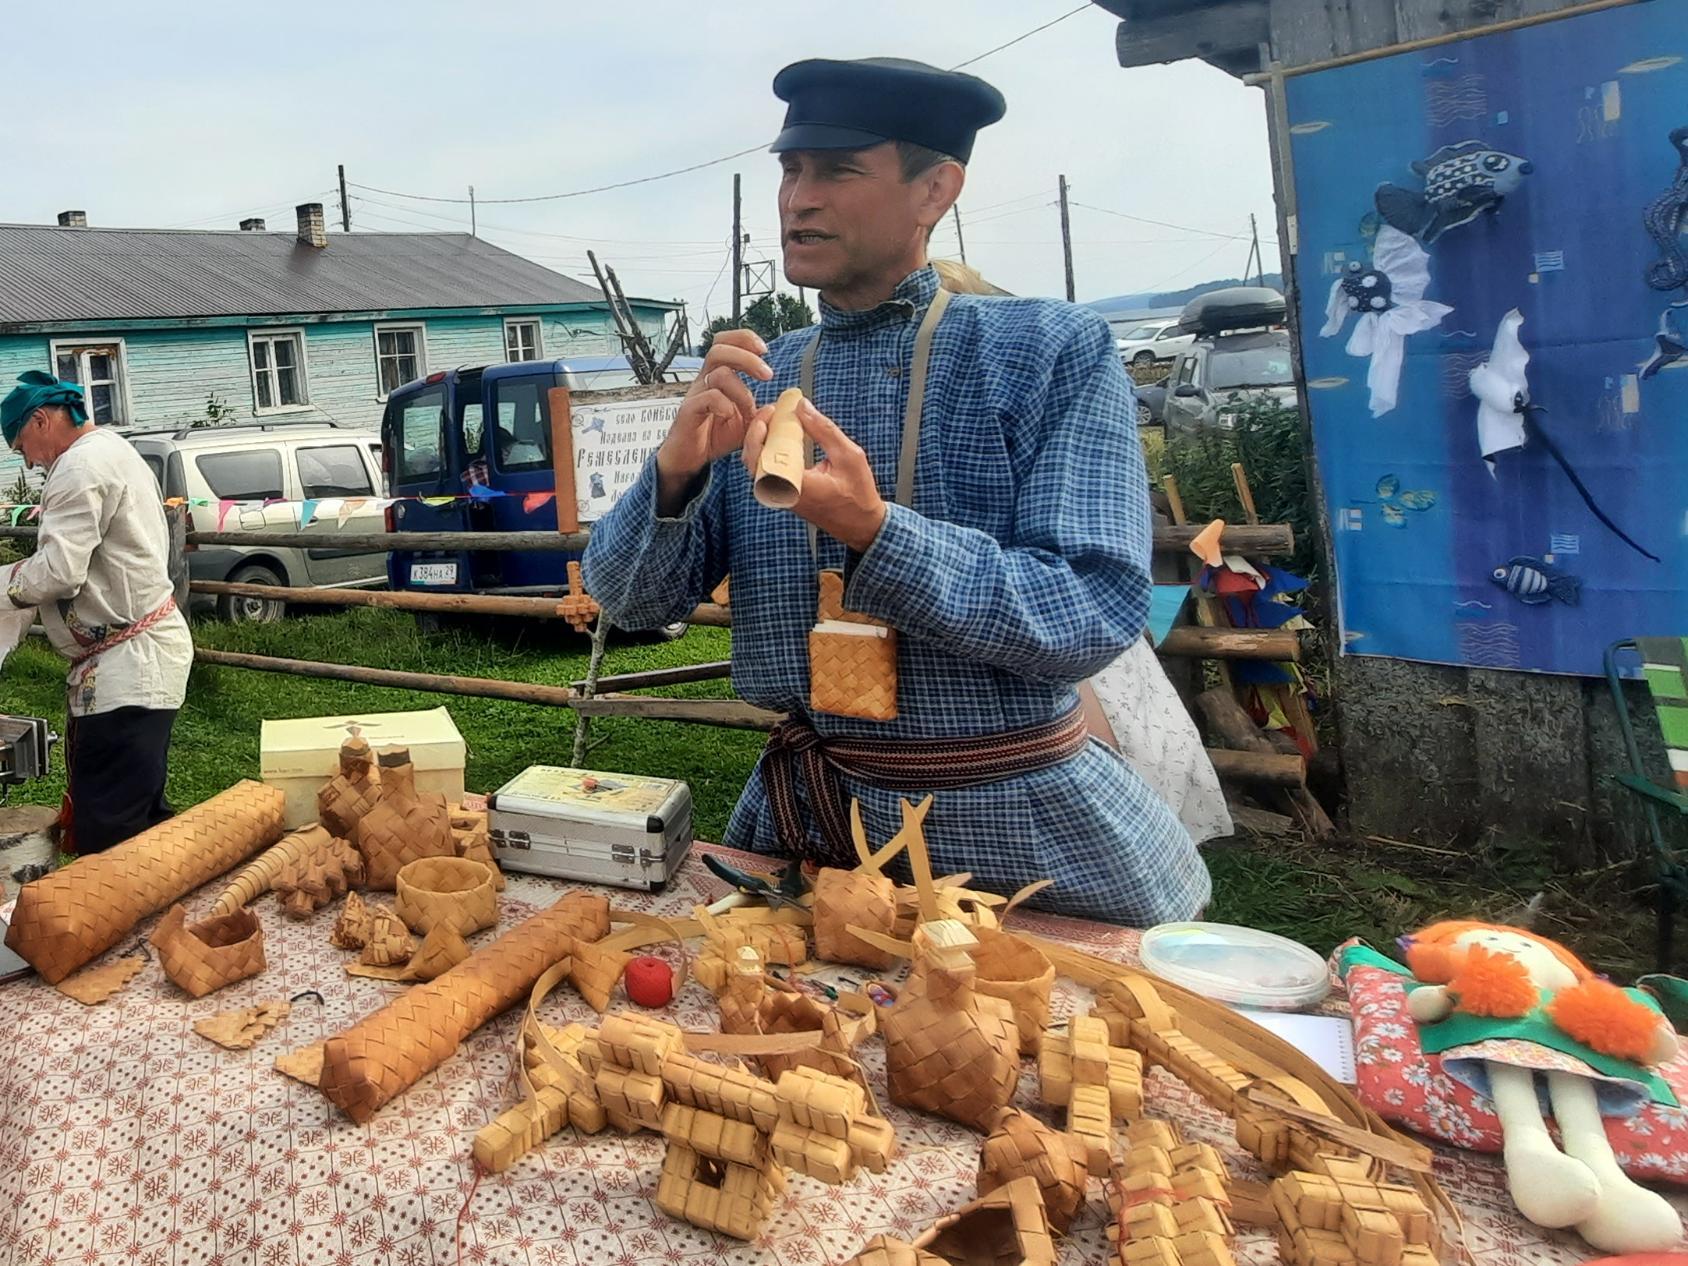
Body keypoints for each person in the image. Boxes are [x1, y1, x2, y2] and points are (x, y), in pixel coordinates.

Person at [585, 57, 1210, 923]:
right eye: (790, 170)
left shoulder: (1048, 350)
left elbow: (1091, 613)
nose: (798, 199)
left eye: (838, 170)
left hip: (1019, 835)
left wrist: (878, 533)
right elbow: (628, 601)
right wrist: (673, 475)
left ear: (935, 190)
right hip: (811, 827)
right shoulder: (763, 377)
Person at [930, 259, 1233, 845]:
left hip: (1046, 627)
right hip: (970, 636)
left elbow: (1083, 563)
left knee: (1088, 783)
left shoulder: (1042, 391)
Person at [1, 371, 192, 853]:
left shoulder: (78, 468)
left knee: (112, 832)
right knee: (135, 816)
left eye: (20, 445)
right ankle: (153, 918)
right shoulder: (113, 449)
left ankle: (120, 923)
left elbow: (59, 573)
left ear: (41, 420)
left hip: (129, 671)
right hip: (137, 663)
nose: (27, 460)